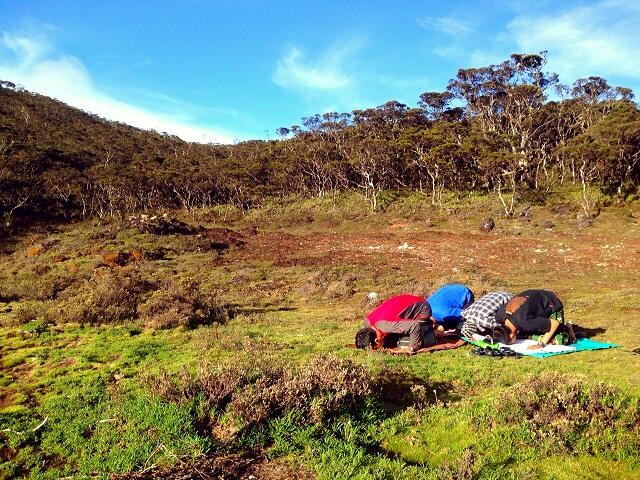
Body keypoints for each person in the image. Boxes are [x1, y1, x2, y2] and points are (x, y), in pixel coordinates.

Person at [493, 289, 576, 349]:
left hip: (552, 304)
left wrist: (541, 344)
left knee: (558, 340)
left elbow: (554, 324)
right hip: (534, 297)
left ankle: (567, 330)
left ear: (511, 336)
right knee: (523, 334)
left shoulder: (524, 322)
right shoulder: (499, 316)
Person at [355, 294, 438, 352]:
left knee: (405, 342)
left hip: (422, 308)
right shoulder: (367, 322)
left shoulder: (386, 326)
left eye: (376, 348)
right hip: (404, 305)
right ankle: (429, 323)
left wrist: (413, 347)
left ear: (377, 341)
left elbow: (414, 326)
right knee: (392, 339)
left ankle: (434, 330)